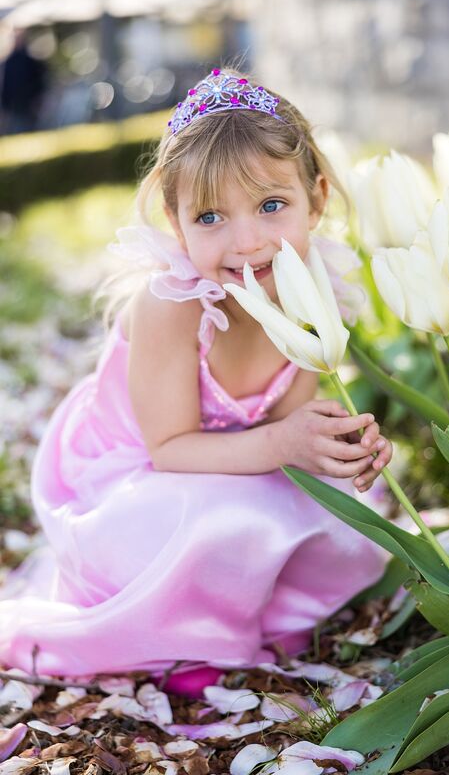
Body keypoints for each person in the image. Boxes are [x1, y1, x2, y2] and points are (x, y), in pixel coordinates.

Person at [0, 68, 392, 697]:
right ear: (177, 222)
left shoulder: (313, 289)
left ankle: (256, 611)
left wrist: (334, 445)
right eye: (210, 216)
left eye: (271, 206)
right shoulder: (171, 305)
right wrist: (283, 443)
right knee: (221, 517)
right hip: (139, 480)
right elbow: (169, 449)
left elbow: (288, 427)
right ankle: (183, 638)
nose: (247, 242)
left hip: (238, 463)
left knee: (330, 508)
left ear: (315, 199)